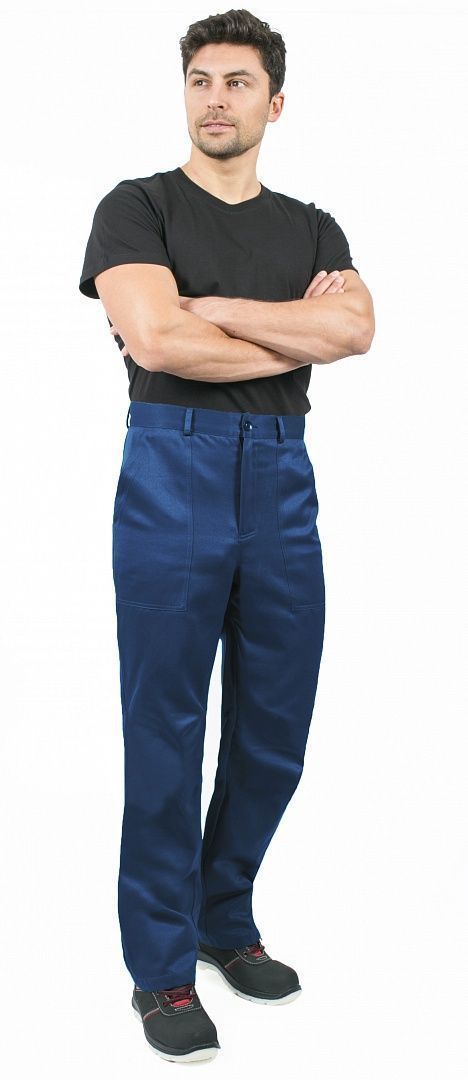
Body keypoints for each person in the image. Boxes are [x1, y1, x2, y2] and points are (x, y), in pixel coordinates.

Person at [79, 8, 374, 1065]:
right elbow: (158, 341)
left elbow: (355, 329)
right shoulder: (137, 207)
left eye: (238, 82)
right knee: (165, 728)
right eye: (200, 79)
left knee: (275, 726)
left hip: (283, 478)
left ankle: (223, 916)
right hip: (174, 468)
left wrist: (212, 309)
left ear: (274, 103)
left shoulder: (314, 229)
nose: (215, 98)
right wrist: (291, 331)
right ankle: (161, 970)